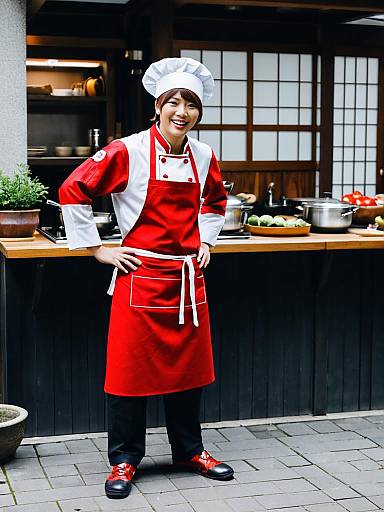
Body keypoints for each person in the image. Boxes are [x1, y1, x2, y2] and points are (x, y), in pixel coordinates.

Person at [58, 57, 233, 500]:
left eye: (190, 104)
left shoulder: (204, 155)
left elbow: (214, 202)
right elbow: (72, 189)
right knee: (128, 375)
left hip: (187, 280)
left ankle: (189, 451)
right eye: (173, 102)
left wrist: (206, 242)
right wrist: (98, 249)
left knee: (189, 373)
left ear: (199, 113)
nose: (182, 112)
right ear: (157, 106)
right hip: (141, 277)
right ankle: (124, 458)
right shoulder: (127, 150)